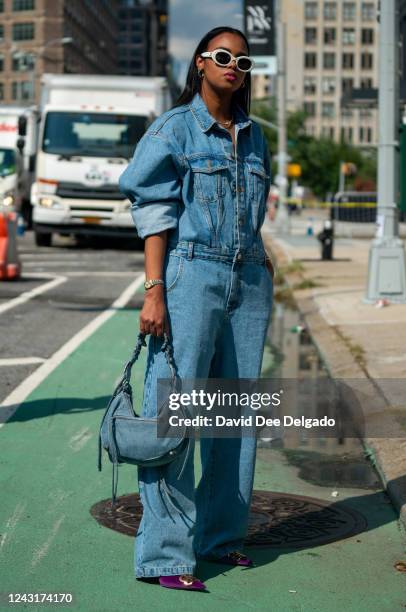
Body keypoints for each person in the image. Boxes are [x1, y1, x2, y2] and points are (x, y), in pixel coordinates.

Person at [119, 26, 274, 592]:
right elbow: (153, 209)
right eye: (224, 56)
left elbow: (251, 213)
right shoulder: (175, 128)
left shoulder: (254, 137)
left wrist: (261, 263)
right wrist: (154, 289)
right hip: (191, 275)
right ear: (202, 64)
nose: (234, 66)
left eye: (243, 60)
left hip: (249, 281)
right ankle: (165, 555)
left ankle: (220, 537)